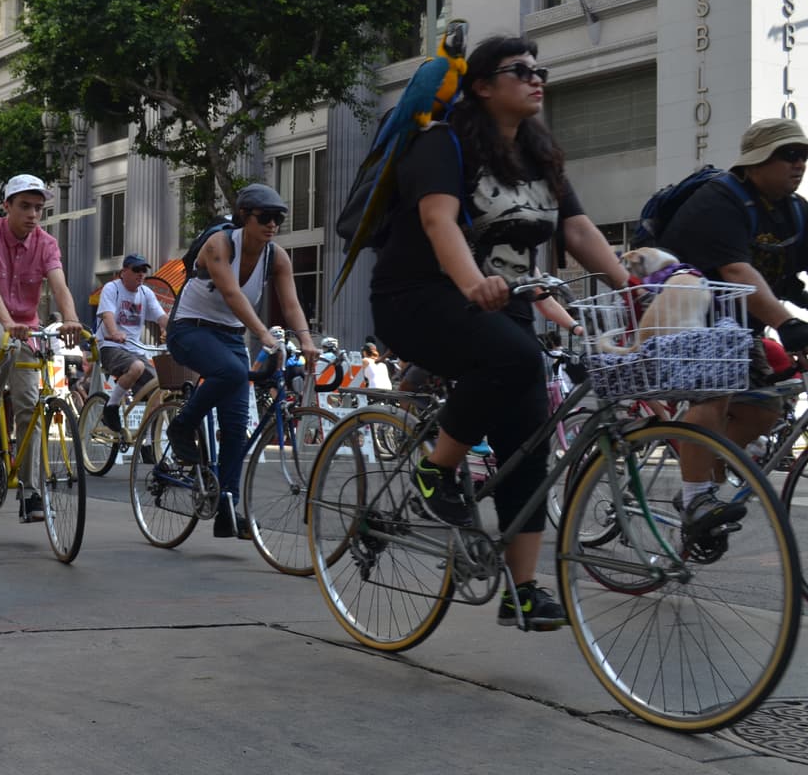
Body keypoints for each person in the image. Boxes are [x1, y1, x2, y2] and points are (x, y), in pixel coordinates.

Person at [370, 35, 629, 630]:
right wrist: (469, 284)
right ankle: (435, 470)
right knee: (513, 359)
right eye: (521, 70)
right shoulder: (444, 142)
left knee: (530, 434)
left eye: (541, 69)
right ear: (482, 84)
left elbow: (581, 232)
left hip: (501, 303)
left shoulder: (540, 157)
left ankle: (524, 590)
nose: (537, 78)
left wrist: (633, 288)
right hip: (419, 296)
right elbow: (438, 221)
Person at [659, 117, 808, 534]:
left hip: (739, 326)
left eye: (803, 155)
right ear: (756, 161)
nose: (799, 164)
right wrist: (787, 323)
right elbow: (736, 270)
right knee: (716, 394)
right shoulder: (719, 199)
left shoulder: (794, 211)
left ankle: (704, 462)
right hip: (684, 317)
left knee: (765, 408)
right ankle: (693, 498)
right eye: (788, 155)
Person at [165, 183, 320, 539]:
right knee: (233, 371)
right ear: (243, 217)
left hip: (231, 337)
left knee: (236, 428)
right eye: (264, 217)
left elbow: (292, 303)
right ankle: (182, 425)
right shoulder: (219, 244)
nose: (272, 225)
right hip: (190, 329)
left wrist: (307, 340)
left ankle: (226, 511)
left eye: (278, 219)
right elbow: (232, 294)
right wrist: (265, 335)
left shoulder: (276, 257)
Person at [0, 174, 85, 523]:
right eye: (25, 206)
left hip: (26, 326)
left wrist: (71, 318)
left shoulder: (46, 243)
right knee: (8, 345)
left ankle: (31, 492)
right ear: (6, 206)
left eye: (38, 208)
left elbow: (59, 284)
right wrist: (5, 322)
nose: (33, 214)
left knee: (30, 408)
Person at [95, 252, 169, 431]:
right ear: (123, 272)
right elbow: (107, 315)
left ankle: (145, 442)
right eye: (136, 269)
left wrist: (176, 331)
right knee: (136, 367)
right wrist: (114, 332)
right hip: (110, 346)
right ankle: (110, 408)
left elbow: (162, 317)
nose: (141, 274)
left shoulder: (146, 293)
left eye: (144, 270)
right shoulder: (113, 288)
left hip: (135, 350)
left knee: (159, 388)